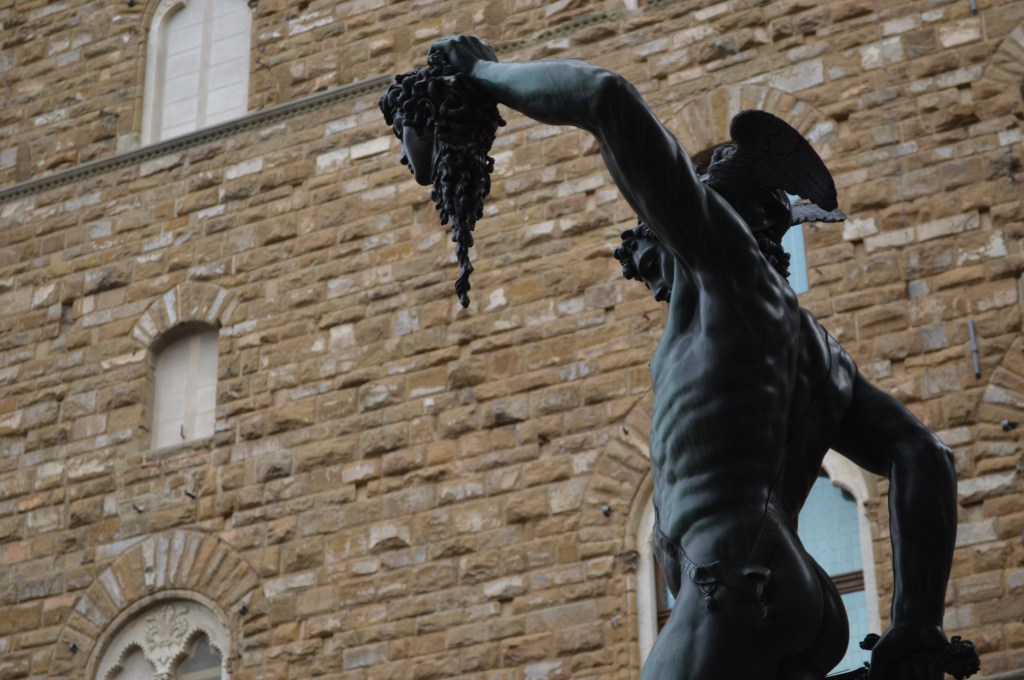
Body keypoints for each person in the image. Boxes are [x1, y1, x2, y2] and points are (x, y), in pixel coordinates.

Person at [398, 35, 958, 680]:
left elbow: (605, 97)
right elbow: (923, 456)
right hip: (802, 599)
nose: (652, 275)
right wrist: (917, 625)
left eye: (653, 248)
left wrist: (481, 71)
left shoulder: (720, 263)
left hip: (729, 580)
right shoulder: (818, 351)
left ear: (707, 212)